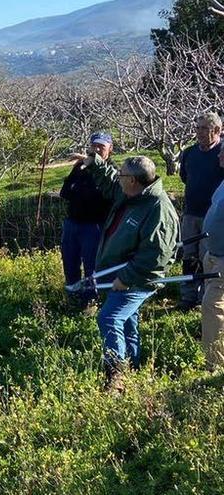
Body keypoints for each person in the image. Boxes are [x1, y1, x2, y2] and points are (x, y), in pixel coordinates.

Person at [81, 154, 178, 392]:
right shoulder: (130, 194)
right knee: (126, 320)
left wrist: (125, 278)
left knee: (109, 318)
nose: (119, 177)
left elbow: (155, 255)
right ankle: (133, 364)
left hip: (137, 278)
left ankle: (117, 375)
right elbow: (111, 182)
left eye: (122, 174)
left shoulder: (158, 209)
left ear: (133, 180)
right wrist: (95, 164)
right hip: (119, 273)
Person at [60, 132, 114, 311]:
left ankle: (90, 301)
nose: (97, 150)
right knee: (70, 261)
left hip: (94, 226)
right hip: (72, 223)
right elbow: (65, 192)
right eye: (94, 146)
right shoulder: (80, 167)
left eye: (102, 147)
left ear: (110, 149)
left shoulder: (111, 172)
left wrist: (81, 193)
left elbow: (108, 198)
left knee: (92, 266)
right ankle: (73, 298)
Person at [177, 112, 224, 311]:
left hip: (212, 216)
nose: (200, 132)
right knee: (189, 256)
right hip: (191, 213)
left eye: (205, 128)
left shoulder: (222, 152)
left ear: (217, 130)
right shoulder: (189, 153)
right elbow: (185, 177)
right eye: (198, 128)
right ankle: (188, 295)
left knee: (208, 257)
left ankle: (205, 297)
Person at [200, 149, 224, 370]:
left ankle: (214, 365)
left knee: (211, 306)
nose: (218, 156)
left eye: (223, 153)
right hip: (213, 254)